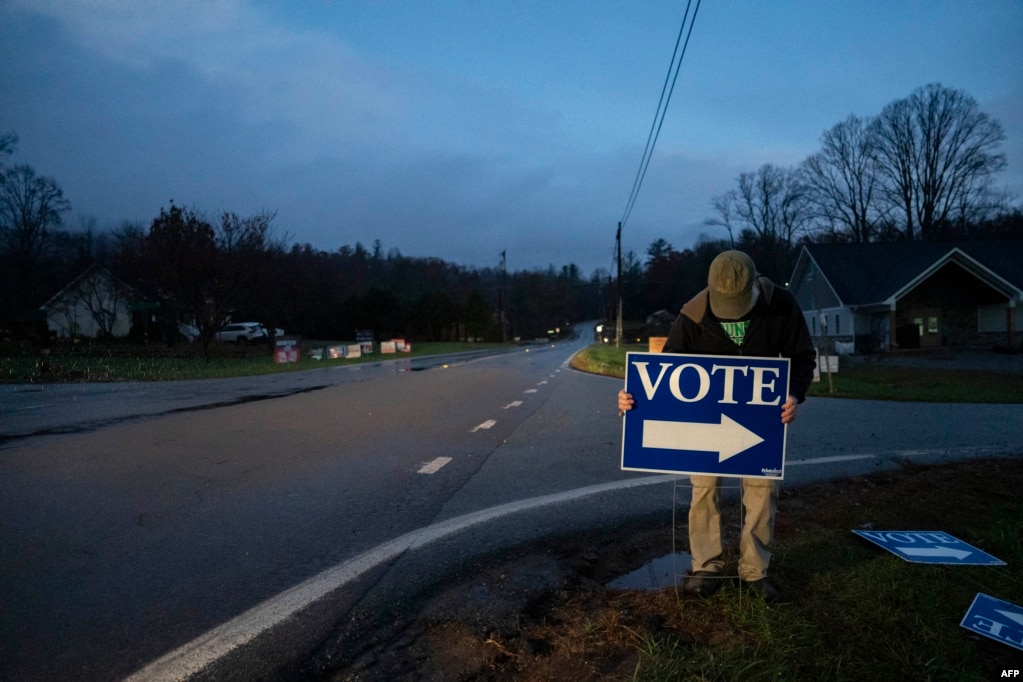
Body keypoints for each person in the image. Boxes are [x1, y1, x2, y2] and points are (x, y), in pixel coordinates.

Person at [618, 250, 815, 601]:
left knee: (762, 491)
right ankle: (706, 567)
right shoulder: (692, 315)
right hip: (704, 424)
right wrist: (636, 402)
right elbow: (665, 376)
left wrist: (793, 395)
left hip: (762, 420)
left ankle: (755, 572)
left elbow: (802, 358)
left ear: (756, 285)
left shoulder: (782, 305)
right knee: (704, 490)